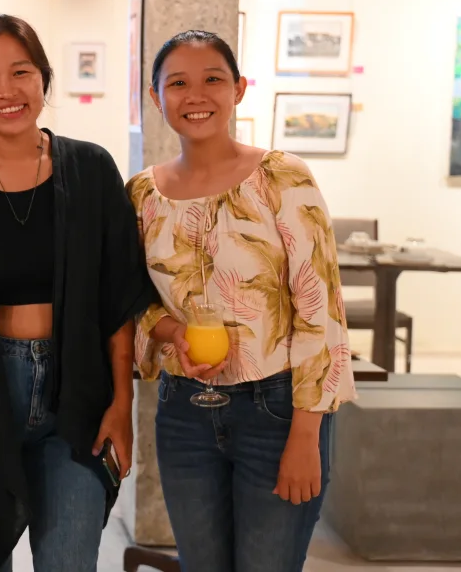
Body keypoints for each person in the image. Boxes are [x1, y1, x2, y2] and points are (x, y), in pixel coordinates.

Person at [0, 14, 155, 571]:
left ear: (44, 77)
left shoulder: (91, 170)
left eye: (20, 72)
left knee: (69, 560)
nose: (6, 91)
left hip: (78, 396)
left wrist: (122, 405)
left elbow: (118, 303)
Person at [126, 29, 357, 572]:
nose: (196, 95)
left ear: (239, 89)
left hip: (277, 410)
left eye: (213, 79)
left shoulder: (282, 177)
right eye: (177, 83)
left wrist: (306, 434)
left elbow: (320, 308)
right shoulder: (141, 194)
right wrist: (172, 333)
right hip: (183, 412)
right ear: (156, 97)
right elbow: (132, 297)